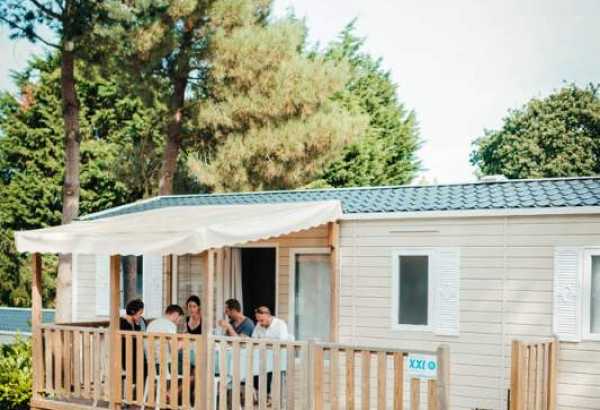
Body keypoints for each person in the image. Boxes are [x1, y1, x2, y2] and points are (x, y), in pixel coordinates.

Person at [251, 306, 289, 402]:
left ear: (268, 315)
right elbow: (254, 339)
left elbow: (282, 343)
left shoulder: (280, 324)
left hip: (278, 357)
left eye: (262, 320)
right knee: (251, 364)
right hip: (262, 356)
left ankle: (267, 395)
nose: (260, 323)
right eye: (258, 320)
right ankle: (260, 393)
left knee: (265, 367)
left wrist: (264, 344)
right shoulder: (259, 325)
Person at [120, 299, 146, 401]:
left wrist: (138, 324)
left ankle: (137, 394)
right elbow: (130, 339)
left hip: (134, 354)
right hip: (124, 355)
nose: (141, 316)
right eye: (140, 313)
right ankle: (134, 394)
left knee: (146, 365)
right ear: (132, 312)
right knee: (143, 366)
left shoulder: (136, 322)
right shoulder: (121, 322)